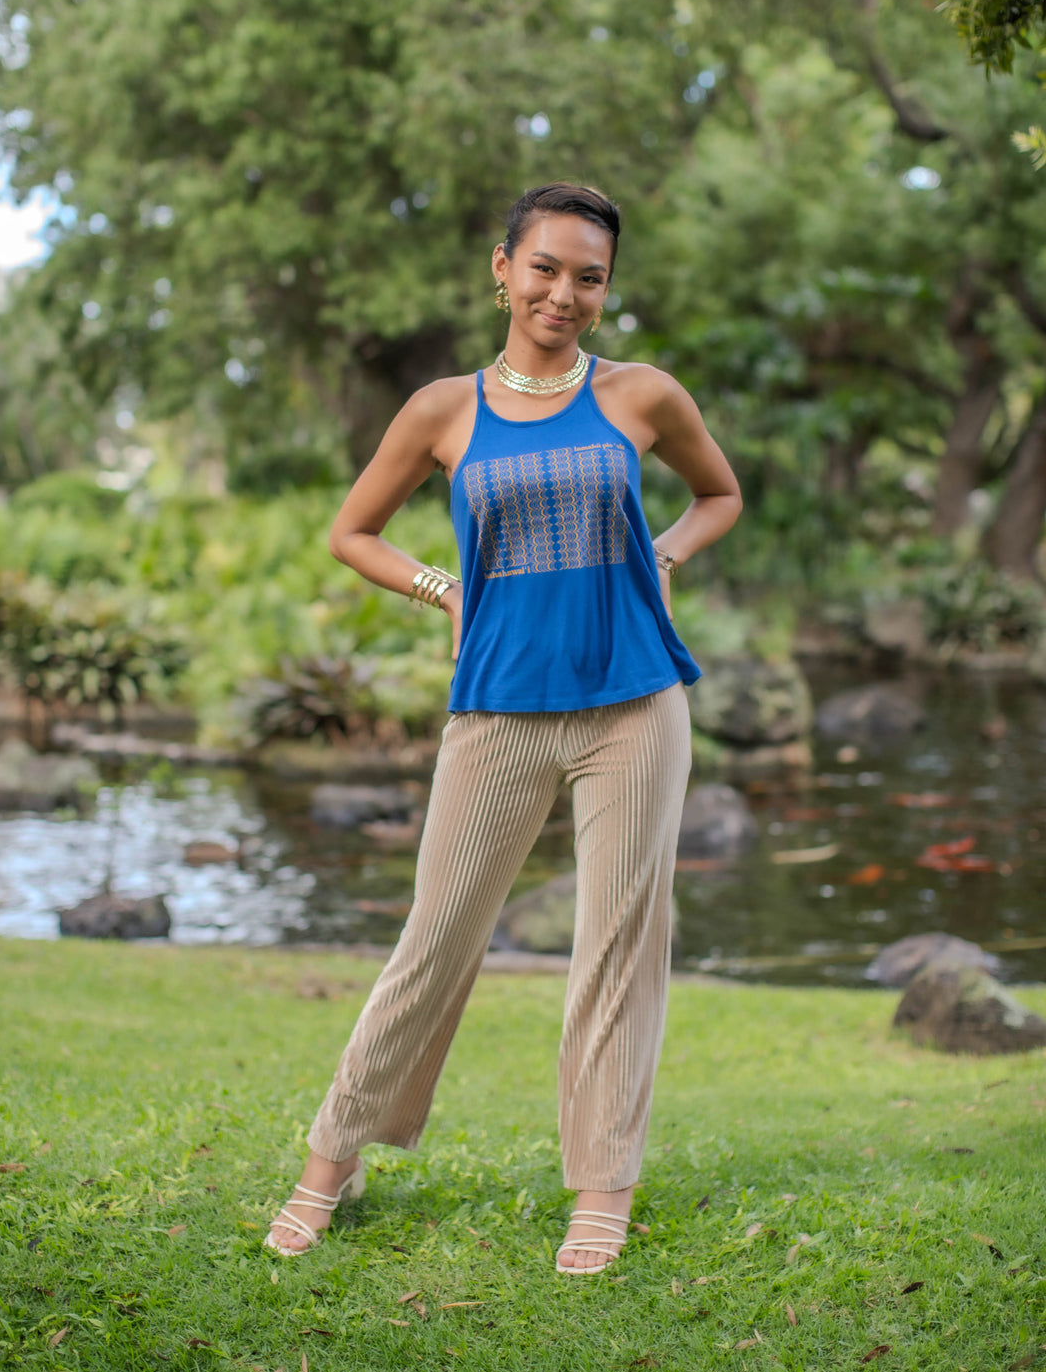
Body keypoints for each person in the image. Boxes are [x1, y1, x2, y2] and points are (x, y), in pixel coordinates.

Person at [265, 182, 742, 1274]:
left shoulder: (642, 396)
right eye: (546, 268)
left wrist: (661, 558)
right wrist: (442, 587)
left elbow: (720, 496)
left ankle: (601, 1193)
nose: (564, 293)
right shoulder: (444, 409)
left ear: (607, 289)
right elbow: (354, 531)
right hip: (496, 709)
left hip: (636, 704)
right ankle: (330, 1162)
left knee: (617, 953)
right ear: (502, 268)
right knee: (433, 941)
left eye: (590, 277)